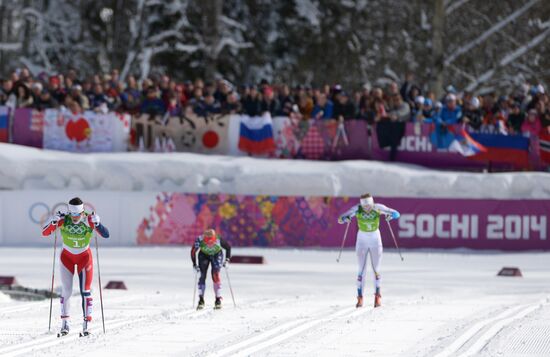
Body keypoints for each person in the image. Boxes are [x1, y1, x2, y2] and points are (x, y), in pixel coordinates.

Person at [42, 197, 110, 336]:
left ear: (82, 212)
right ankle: (65, 325)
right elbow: (45, 233)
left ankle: (86, 325)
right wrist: (53, 221)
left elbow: (106, 235)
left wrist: (98, 224)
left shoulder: (90, 220)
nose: (74, 218)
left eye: (77, 214)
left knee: (85, 291)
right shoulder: (63, 219)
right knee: (66, 291)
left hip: (84, 258)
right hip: (66, 257)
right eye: (72, 214)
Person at [337, 193, 400, 308]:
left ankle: (378, 296)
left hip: (376, 239)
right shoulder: (357, 209)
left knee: (376, 269)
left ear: (372, 202)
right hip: (362, 240)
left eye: (369, 205)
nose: (367, 208)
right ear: (361, 204)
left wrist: (391, 216)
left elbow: (397, 213)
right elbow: (340, 219)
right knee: (361, 270)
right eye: (365, 206)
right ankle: (360, 297)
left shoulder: (378, 207)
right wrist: (345, 218)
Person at [190, 229, 232, 310]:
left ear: (214, 238)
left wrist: (227, 260)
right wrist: (194, 265)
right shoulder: (200, 240)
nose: (209, 243)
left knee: (215, 275)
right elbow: (193, 251)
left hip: (216, 254)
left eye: (211, 241)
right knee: (202, 275)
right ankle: (201, 300)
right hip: (204, 255)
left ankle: (218, 299)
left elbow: (228, 248)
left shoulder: (219, 239)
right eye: (207, 241)